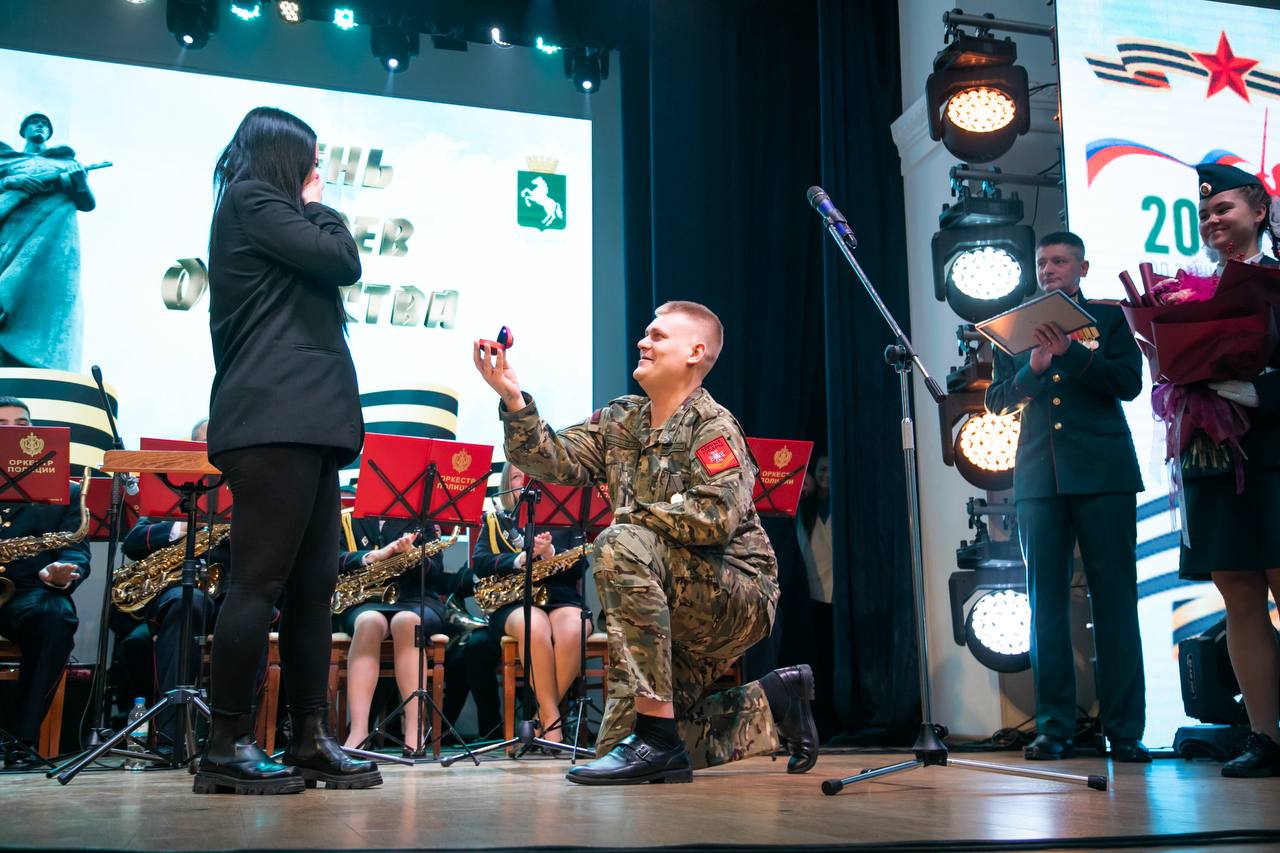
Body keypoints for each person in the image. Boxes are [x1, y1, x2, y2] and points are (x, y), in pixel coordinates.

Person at [473, 300, 818, 785]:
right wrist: (513, 399)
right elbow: (550, 459)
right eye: (645, 334)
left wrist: (629, 519)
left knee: (621, 541)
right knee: (618, 744)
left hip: (734, 593)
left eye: (658, 336)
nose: (643, 341)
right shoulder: (621, 419)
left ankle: (656, 740)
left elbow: (716, 515)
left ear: (694, 352)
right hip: (663, 603)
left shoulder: (712, 426)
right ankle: (775, 704)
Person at [197, 106, 377, 795]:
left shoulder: (267, 215)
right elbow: (344, 261)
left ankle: (309, 737)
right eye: (311, 158)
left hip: (308, 423)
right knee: (257, 583)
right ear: (284, 156)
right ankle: (226, 743)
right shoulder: (253, 200)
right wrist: (319, 206)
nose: (318, 170)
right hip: (275, 418)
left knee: (313, 588)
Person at [985, 231, 1150, 763]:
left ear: (1082, 268)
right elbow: (996, 402)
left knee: (1116, 602)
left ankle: (1125, 730)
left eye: (1059, 261)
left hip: (1104, 474)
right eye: (1042, 262)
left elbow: (1128, 383)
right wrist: (1033, 368)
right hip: (1040, 479)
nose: (1049, 269)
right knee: (1046, 606)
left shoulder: (1108, 318)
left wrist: (1072, 354)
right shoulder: (1015, 328)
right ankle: (1053, 727)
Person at [1159, 163, 1280, 777]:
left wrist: (1264, 393)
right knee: (1238, 594)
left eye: (1223, 208)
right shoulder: (1190, 290)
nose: (1211, 220)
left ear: (1259, 210)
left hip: (1275, 451)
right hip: (1212, 458)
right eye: (1204, 213)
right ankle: (1265, 736)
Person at [0, 396, 91, 770]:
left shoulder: (66, 491)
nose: (12, 432)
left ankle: (21, 740)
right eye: (2, 425)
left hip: (28, 593)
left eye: (21, 425)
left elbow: (77, 553)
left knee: (56, 617)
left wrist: (62, 572)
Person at [472, 462, 589, 745]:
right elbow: (481, 563)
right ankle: (553, 722)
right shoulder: (496, 520)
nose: (525, 481)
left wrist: (550, 553)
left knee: (577, 628)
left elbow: (580, 568)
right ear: (506, 484)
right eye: (517, 476)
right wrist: (519, 559)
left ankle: (540, 720)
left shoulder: (566, 516)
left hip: (560, 597)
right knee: (533, 625)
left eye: (532, 475)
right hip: (513, 601)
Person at [336, 512, 446, 753]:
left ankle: (415, 731)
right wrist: (371, 556)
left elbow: (437, 574)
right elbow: (331, 559)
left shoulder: (420, 521)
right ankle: (358, 731)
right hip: (365, 600)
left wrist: (413, 556)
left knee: (406, 622)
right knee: (368, 623)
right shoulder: (346, 520)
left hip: (415, 600)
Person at [0, 113, 96, 370]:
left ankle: (41, 361)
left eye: (45, 124)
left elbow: (87, 203)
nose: (40, 126)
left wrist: (79, 182)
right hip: (10, 230)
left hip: (54, 233)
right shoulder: (7, 160)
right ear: (23, 130)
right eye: (35, 123)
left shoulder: (65, 162)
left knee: (48, 293)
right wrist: (11, 181)